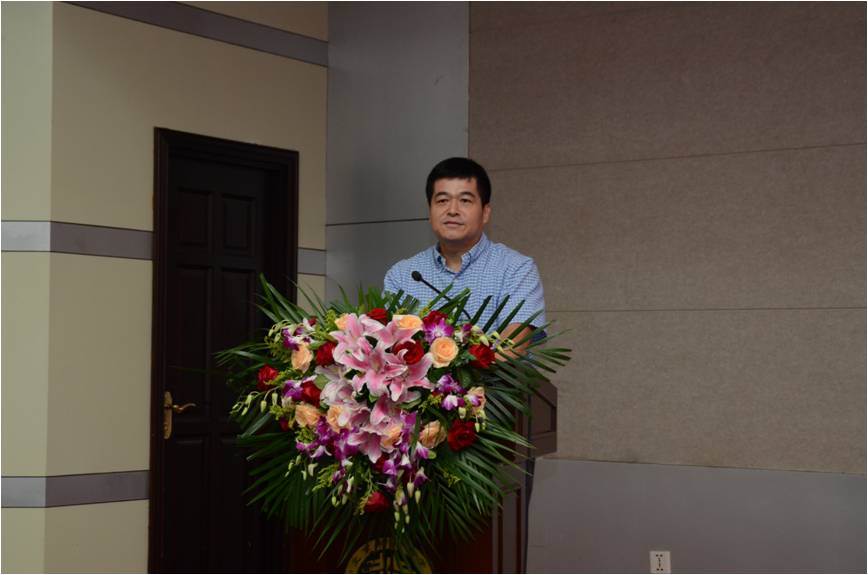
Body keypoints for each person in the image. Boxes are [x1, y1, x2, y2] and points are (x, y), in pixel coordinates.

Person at [383, 157, 546, 347]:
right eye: (442, 200)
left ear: (485, 212)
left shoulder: (517, 269)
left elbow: (511, 350)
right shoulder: (402, 276)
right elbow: (390, 347)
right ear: (430, 211)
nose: (452, 210)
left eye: (465, 200)